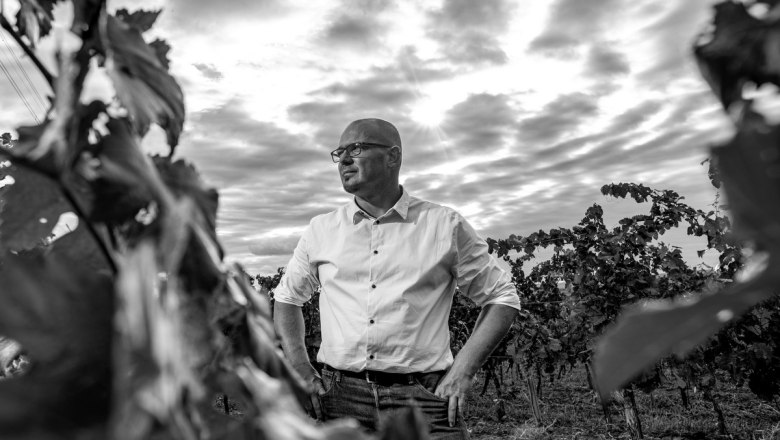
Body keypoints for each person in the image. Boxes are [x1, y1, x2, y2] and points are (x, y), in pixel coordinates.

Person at [273, 118, 521, 439]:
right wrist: (300, 367)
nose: (344, 160)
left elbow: (503, 298)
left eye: (357, 148)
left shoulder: (443, 225)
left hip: (423, 398)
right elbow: (287, 298)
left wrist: (462, 372)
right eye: (340, 152)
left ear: (393, 157)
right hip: (338, 399)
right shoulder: (321, 229)